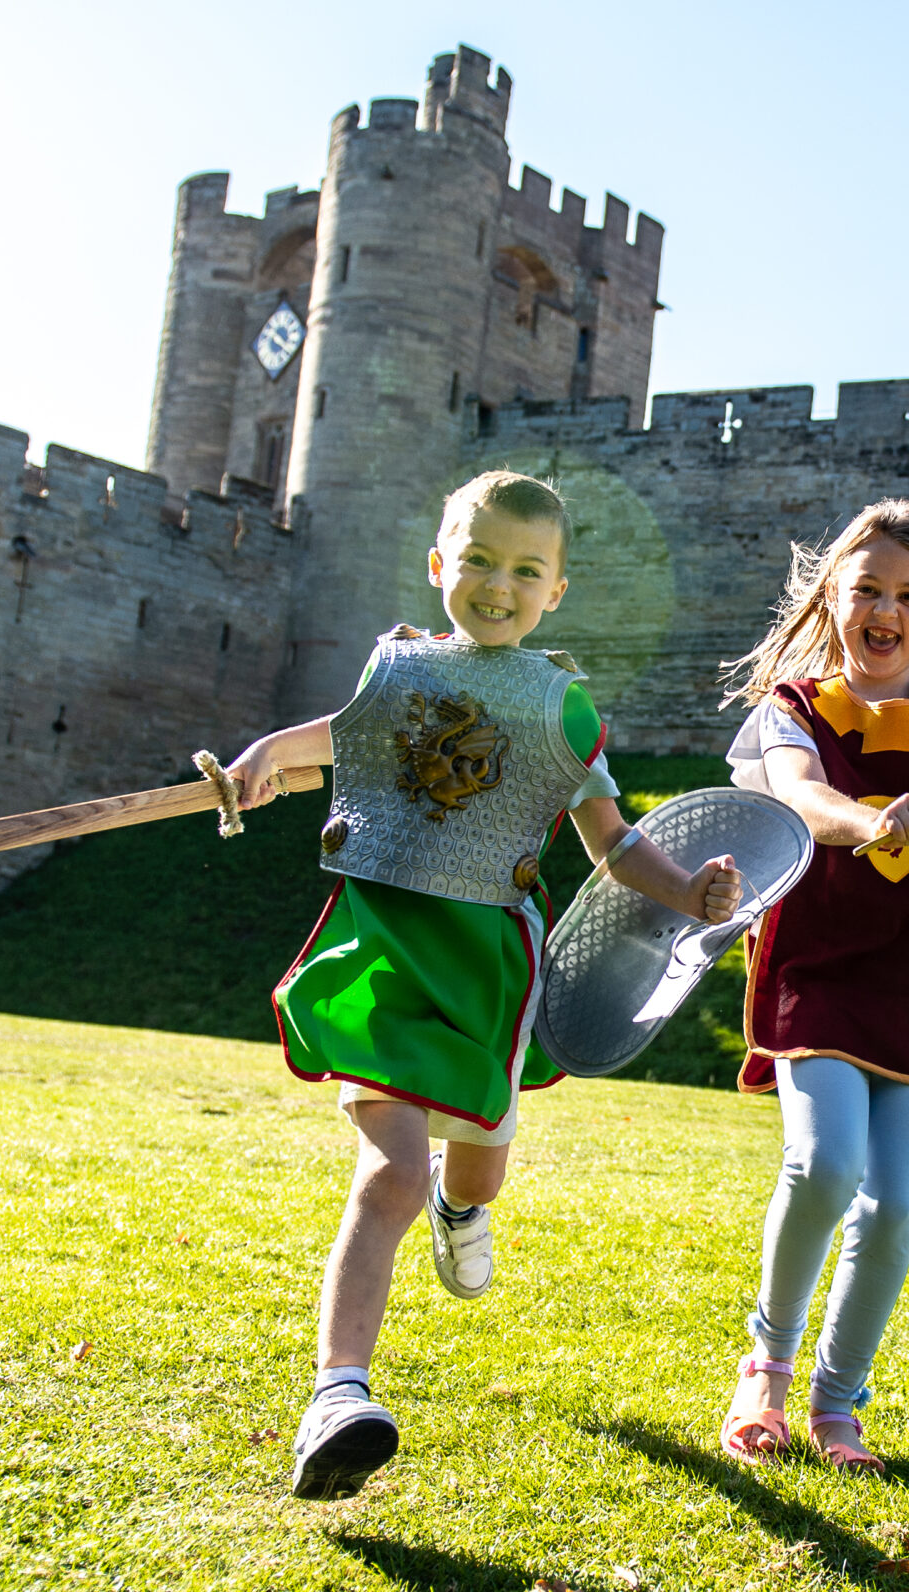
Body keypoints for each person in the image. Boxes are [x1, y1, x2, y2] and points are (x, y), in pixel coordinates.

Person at [225, 470, 743, 1500]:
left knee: (472, 1174)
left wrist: (688, 890)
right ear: (437, 564)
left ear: (555, 590)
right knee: (386, 1176)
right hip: (380, 948)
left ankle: (464, 1214)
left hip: (489, 971)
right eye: (477, 560)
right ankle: (338, 1393)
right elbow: (327, 740)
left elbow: (614, 840)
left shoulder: (563, 706)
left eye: (523, 569)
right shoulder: (398, 671)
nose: (496, 584)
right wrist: (255, 762)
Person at [714, 499, 909, 1474]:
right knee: (822, 1163)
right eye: (866, 590)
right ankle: (763, 1367)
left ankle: (838, 1403)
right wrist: (871, 819)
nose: (884, 610)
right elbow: (801, 796)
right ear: (830, 599)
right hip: (819, 955)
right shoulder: (792, 708)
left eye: (908, 595)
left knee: (892, 1204)